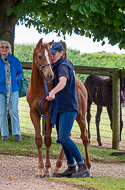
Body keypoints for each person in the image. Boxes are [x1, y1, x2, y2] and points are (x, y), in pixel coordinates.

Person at [46, 42, 90, 178]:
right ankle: (71, 167)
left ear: (61, 53)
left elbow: (63, 82)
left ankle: (82, 166)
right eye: (51, 54)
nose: (52, 56)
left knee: (64, 137)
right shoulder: (56, 65)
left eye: (54, 54)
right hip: (60, 107)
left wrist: (52, 92)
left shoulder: (63, 65)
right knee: (62, 138)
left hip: (68, 107)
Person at [0, 40, 23, 142]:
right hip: (0, 90)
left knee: (13, 111)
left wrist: (16, 79)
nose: (4, 49)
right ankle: (4, 134)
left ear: (9, 49)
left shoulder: (15, 61)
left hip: (13, 90)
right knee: (2, 112)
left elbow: (21, 74)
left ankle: (17, 133)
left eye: (6, 47)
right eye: (2, 47)